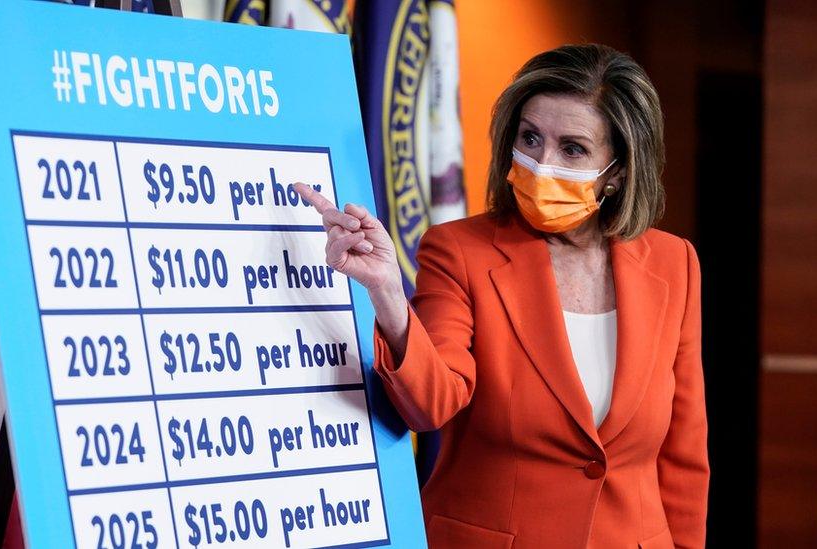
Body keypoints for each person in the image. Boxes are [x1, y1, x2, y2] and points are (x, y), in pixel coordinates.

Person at [294, 43, 709, 549]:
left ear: (618, 171)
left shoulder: (674, 263)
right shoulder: (458, 250)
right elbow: (432, 405)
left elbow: (684, 456)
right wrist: (385, 289)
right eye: (530, 137)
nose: (541, 163)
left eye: (573, 148)